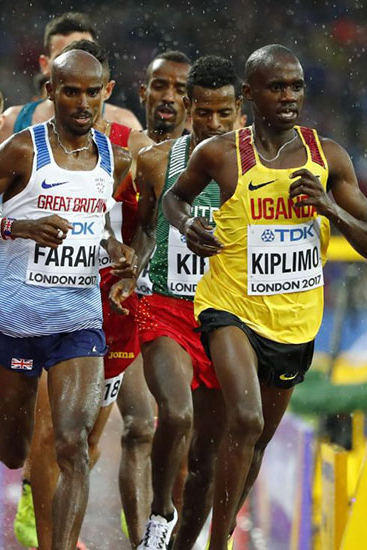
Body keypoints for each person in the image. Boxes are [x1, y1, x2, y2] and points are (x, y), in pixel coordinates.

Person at [162, 45, 367, 550]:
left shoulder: (328, 157)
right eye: (276, 87)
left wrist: (329, 207)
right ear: (249, 94)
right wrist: (189, 224)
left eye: (296, 86)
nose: (288, 96)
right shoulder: (219, 154)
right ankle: (217, 545)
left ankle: (200, 536)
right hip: (228, 307)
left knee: (254, 443)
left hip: (295, 323)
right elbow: (174, 198)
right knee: (245, 418)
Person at [0, 49, 136, 550]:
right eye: (69, 91)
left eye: (91, 92)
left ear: (107, 93)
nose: (81, 102)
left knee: (72, 445)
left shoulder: (115, 158)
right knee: (14, 454)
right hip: (16, 316)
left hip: (78, 316)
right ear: (49, 92)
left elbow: (99, 231)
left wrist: (118, 253)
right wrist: (18, 226)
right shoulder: (20, 150)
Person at [110, 55, 243, 550]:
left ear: (239, 112)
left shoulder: (251, 169)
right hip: (165, 305)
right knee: (176, 414)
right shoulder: (157, 161)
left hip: (225, 317)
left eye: (224, 115)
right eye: (203, 113)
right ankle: (160, 512)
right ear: (189, 108)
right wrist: (133, 269)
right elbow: (144, 228)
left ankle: (182, 541)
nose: (213, 124)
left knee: (206, 465)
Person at [0, 12, 142, 147]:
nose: (78, 66)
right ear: (45, 65)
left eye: (87, 54)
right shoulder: (13, 121)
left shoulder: (124, 124)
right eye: (66, 57)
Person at [140, 51, 192, 144]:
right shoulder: (124, 151)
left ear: (190, 103)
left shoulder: (202, 156)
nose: (168, 98)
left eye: (180, 90)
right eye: (159, 87)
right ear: (143, 94)